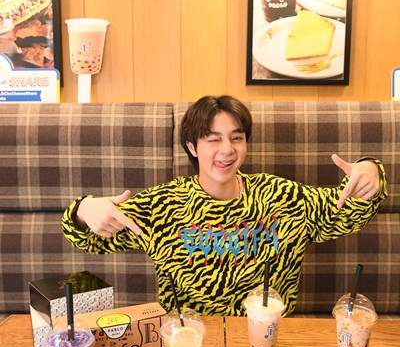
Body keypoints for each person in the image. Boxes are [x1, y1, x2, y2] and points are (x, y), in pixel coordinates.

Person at [62, 95, 387, 316]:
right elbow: (89, 238)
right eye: (213, 139)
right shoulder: (163, 205)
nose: (227, 150)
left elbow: (344, 212)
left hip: (268, 338)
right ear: (193, 147)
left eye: (237, 137)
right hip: (189, 340)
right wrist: (83, 210)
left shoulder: (280, 197)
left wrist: (370, 170)